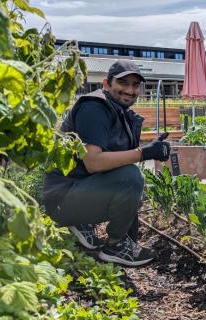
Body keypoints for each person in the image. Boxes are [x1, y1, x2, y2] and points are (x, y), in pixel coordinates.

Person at [42, 60, 170, 266]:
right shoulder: (94, 107)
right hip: (62, 199)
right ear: (107, 83)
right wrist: (143, 153)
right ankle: (115, 246)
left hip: (77, 190)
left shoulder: (117, 110)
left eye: (135, 85)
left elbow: (115, 166)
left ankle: (85, 224)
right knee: (131, 177)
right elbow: (94, 162)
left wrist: (132, 235)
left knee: (132, 180)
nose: (130, 90)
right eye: (123, 83)